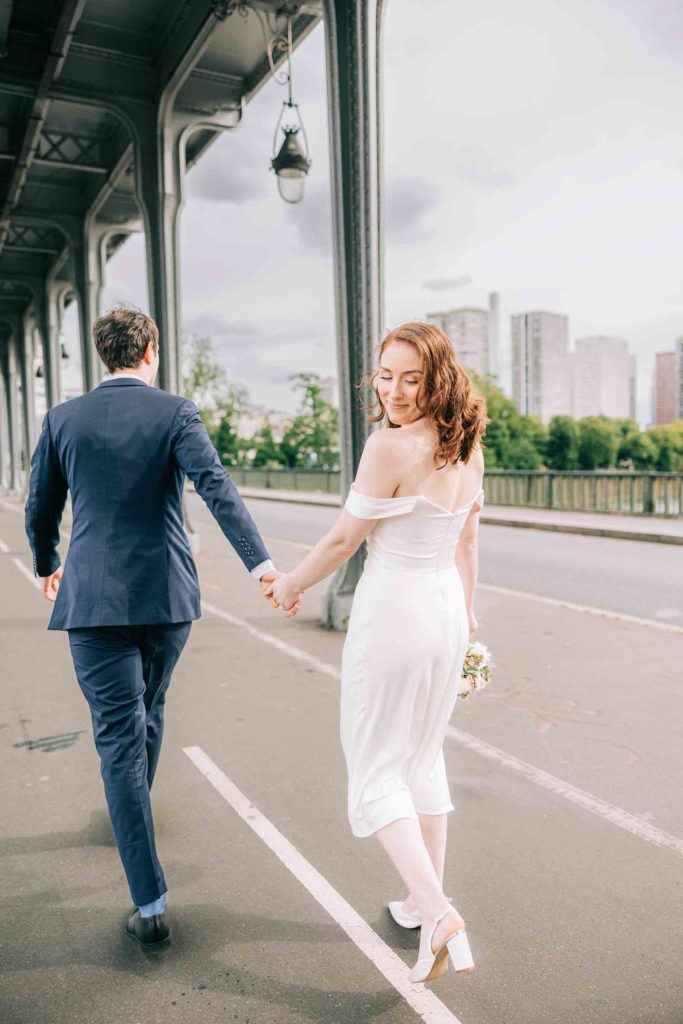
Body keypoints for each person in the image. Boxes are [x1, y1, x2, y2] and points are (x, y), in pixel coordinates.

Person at [24, 307, 280, 951]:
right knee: (150, 709)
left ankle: (149, 900)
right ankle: (133, 807)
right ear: (151, 352)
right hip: (167, 599)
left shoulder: (61, 420)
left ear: (100, 354)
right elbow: (214, 484)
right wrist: (263, 564)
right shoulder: (175, 412)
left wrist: (47, 564)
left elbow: (40, 507)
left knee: (117, 735)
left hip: (92, 604)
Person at [266, 321, 487, 984]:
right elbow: (467, 546)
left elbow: (342, 541)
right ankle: (421, 907)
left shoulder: (389, 447)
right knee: (422, 758)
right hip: (445, 611)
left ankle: (441, 912)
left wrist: (289, 584)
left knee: (375, 770)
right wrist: (468, 627)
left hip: (395, 614)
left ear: (436, 380)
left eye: (410, 378)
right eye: (384, 375)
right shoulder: (467, 447)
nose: (392, 389)